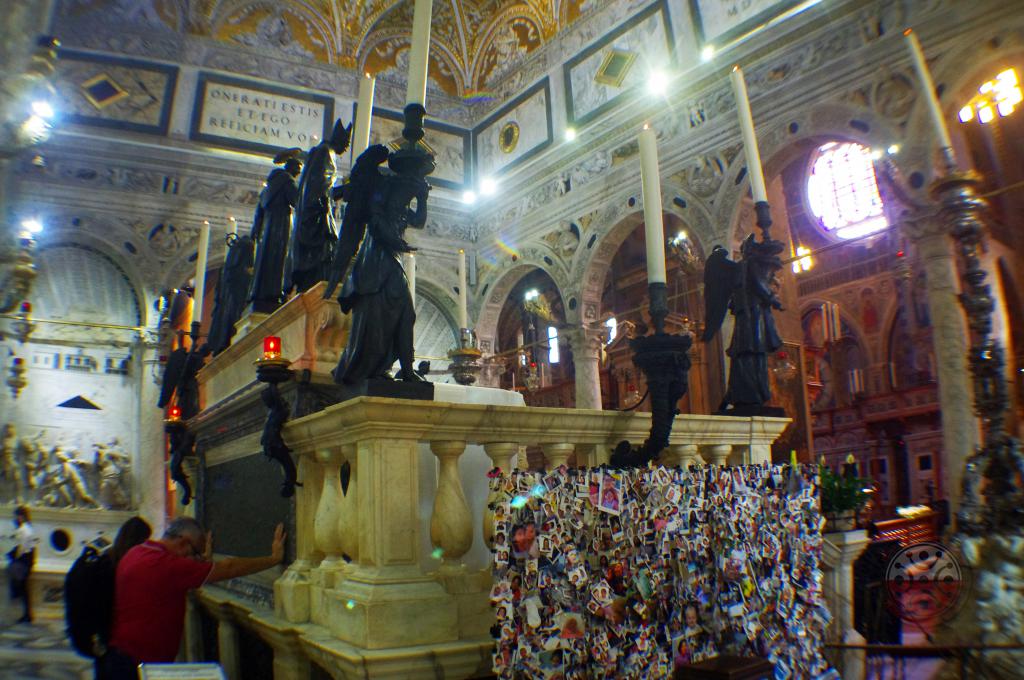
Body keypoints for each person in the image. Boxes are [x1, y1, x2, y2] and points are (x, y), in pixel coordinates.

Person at [101, 518, 285, 678]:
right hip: (136, 665)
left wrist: (202, 561)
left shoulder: (136, 552)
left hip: (120, 656)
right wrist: (273, 559)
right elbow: (228, 567)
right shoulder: (166, 565)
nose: (195, 558)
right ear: (183, 543)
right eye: (196, 552)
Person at [7, 506, 37, 623]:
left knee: (23, 588)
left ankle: (26, 614)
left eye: (17, 516)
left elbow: (21, 548)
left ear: (22, 516)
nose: (16, 518)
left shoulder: (23, 530)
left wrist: (14, 557)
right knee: (25, 589)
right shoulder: (29, 528)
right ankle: (27, 614)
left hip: (24, 560)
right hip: (28, 559)